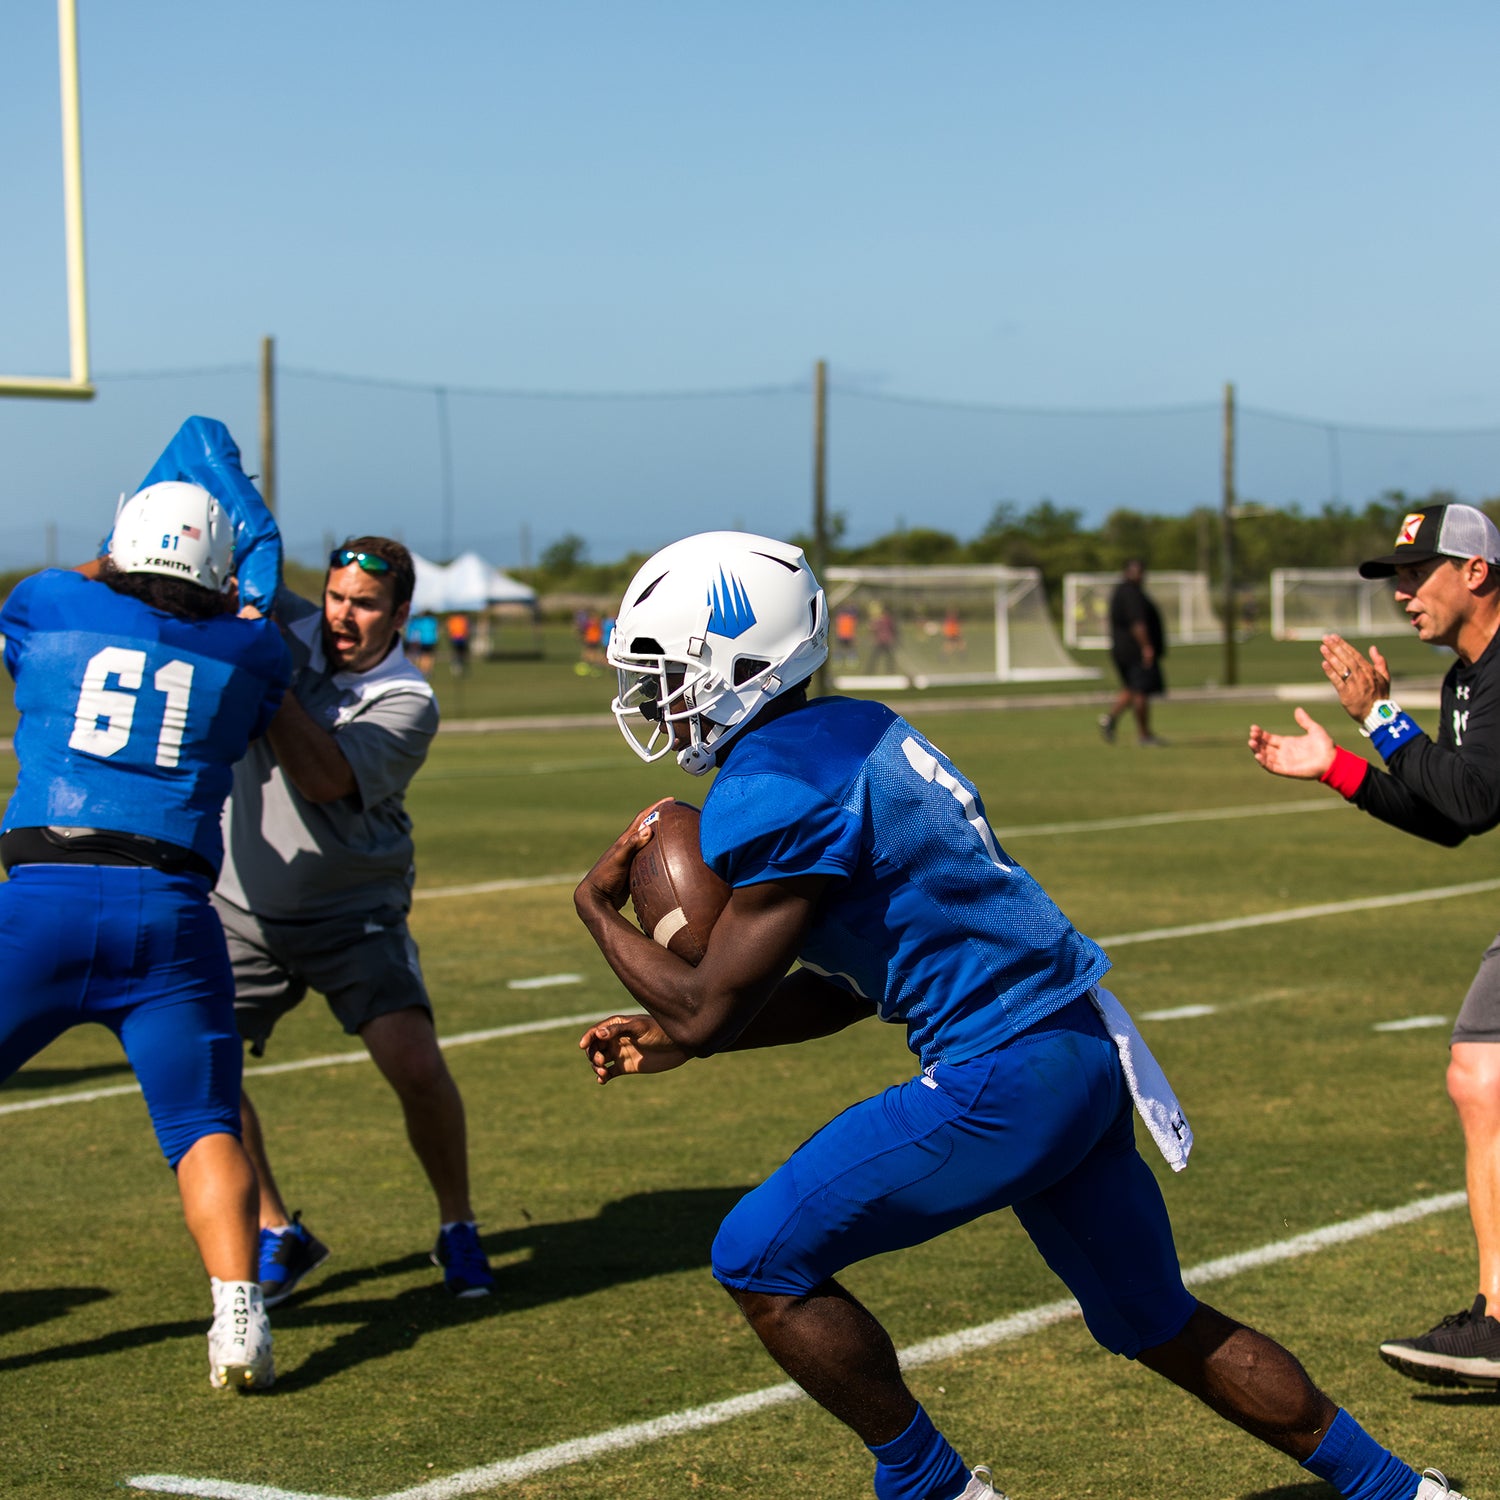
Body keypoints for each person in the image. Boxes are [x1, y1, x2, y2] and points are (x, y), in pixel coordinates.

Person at [574, 530, 1467, 1500]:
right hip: (1077, 1043)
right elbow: (849, 985)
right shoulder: (858, 732)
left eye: (667, 673)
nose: (657, 699)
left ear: (737, 664)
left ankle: (935, 1487)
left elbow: (710, 1007)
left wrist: (593, 910)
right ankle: (1402, 1493)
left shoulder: (777, 787)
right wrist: (673, 1036)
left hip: (1000, 1072)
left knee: (755, 1253)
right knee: (1158, 1322)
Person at [0, 480, 291, 1390]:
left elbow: (86, 582)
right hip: (168, 912)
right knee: (205, 1126)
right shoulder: (252, 648)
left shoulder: (53, 599)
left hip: (43, 898)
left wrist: (117, 556)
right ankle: (237, 1313)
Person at [1250, 501, 1500, 1390]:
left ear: (1475, 572)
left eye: (1415, 573)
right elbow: (1452, 820)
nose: (1401, 593)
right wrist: (1342, 765)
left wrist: (1382, 718)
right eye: (1394, 576)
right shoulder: (1466, 678)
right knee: (1480, 1073)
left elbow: (1471, 802)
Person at [213, 536, 496, 1304]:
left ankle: (457, 1226)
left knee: (413, 1063)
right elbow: (233, 524)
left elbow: (325, 776)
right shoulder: (284, 620)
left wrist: (263, 666)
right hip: (240, 908)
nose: (344, 615)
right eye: (337, 597)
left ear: (401, 615)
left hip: (353, 912)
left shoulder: (409, 699)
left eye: (366, 605)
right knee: (202, 1067)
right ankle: (278, 1232)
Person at [1099, 558, 1166, 746]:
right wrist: (1146, 647)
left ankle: (1110, 719)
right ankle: (1144, 735)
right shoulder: (1131, 593)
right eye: (1138, 571)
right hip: (1134, 651)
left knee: (1132, 687)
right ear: (1128, 572)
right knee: (1141, 691)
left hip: (1123, 650)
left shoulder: (1124, 591)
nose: (1141, 576)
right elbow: (1137, 623)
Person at [407, 611, 440, 676]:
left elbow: (417, 630)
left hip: (423, 640)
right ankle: (428, 670)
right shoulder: (433, 621)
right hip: (432, 640)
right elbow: (436, 630)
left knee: (422, 655)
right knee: (429, 656)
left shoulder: (421, 621)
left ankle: (423, 670)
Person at [445, 611, 471, 675]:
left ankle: (458, 664)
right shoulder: (461, 619)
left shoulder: (453, 619)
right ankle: (457, 664)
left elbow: (449, 629)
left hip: (457, 638)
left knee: (459, 652)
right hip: (459, 638)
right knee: (459, 652)